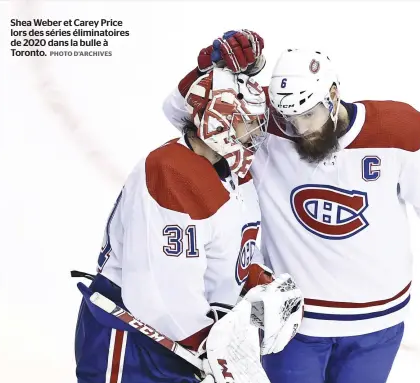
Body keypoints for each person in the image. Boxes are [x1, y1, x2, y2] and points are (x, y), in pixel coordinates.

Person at [163, 30, 420, 383]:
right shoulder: (268, 126)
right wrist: (210, 70)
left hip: (378, 324)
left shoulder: (395, 133)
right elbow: (182, 115)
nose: (299, 129)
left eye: (308, 115)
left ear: (332, 95)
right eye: (289, 119)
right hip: (290, 324)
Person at [73, 67, 303, 383]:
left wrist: (254, 280)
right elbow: (158, 293)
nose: (254, 134)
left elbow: (221, 254)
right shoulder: (171, 173)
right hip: (135, 345)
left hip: (190, 344)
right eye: (247, 123)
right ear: (219, 120)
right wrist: (218, 353)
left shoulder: (238, 176)